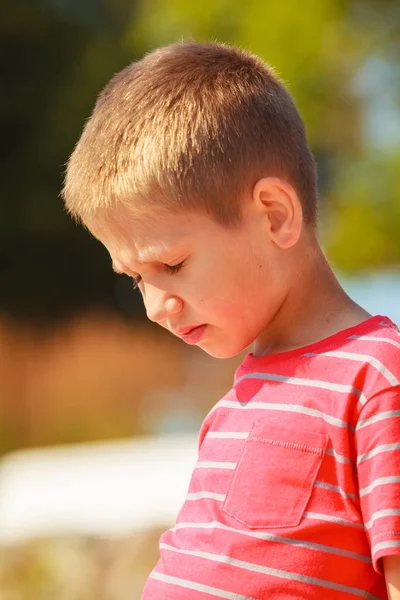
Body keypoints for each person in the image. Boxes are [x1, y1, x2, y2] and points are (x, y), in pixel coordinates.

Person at [62, 41, 400, 600]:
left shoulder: (376, 381)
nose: (155, 306)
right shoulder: (238, 401)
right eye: (135, 278)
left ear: (274, 215)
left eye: (171, 265)